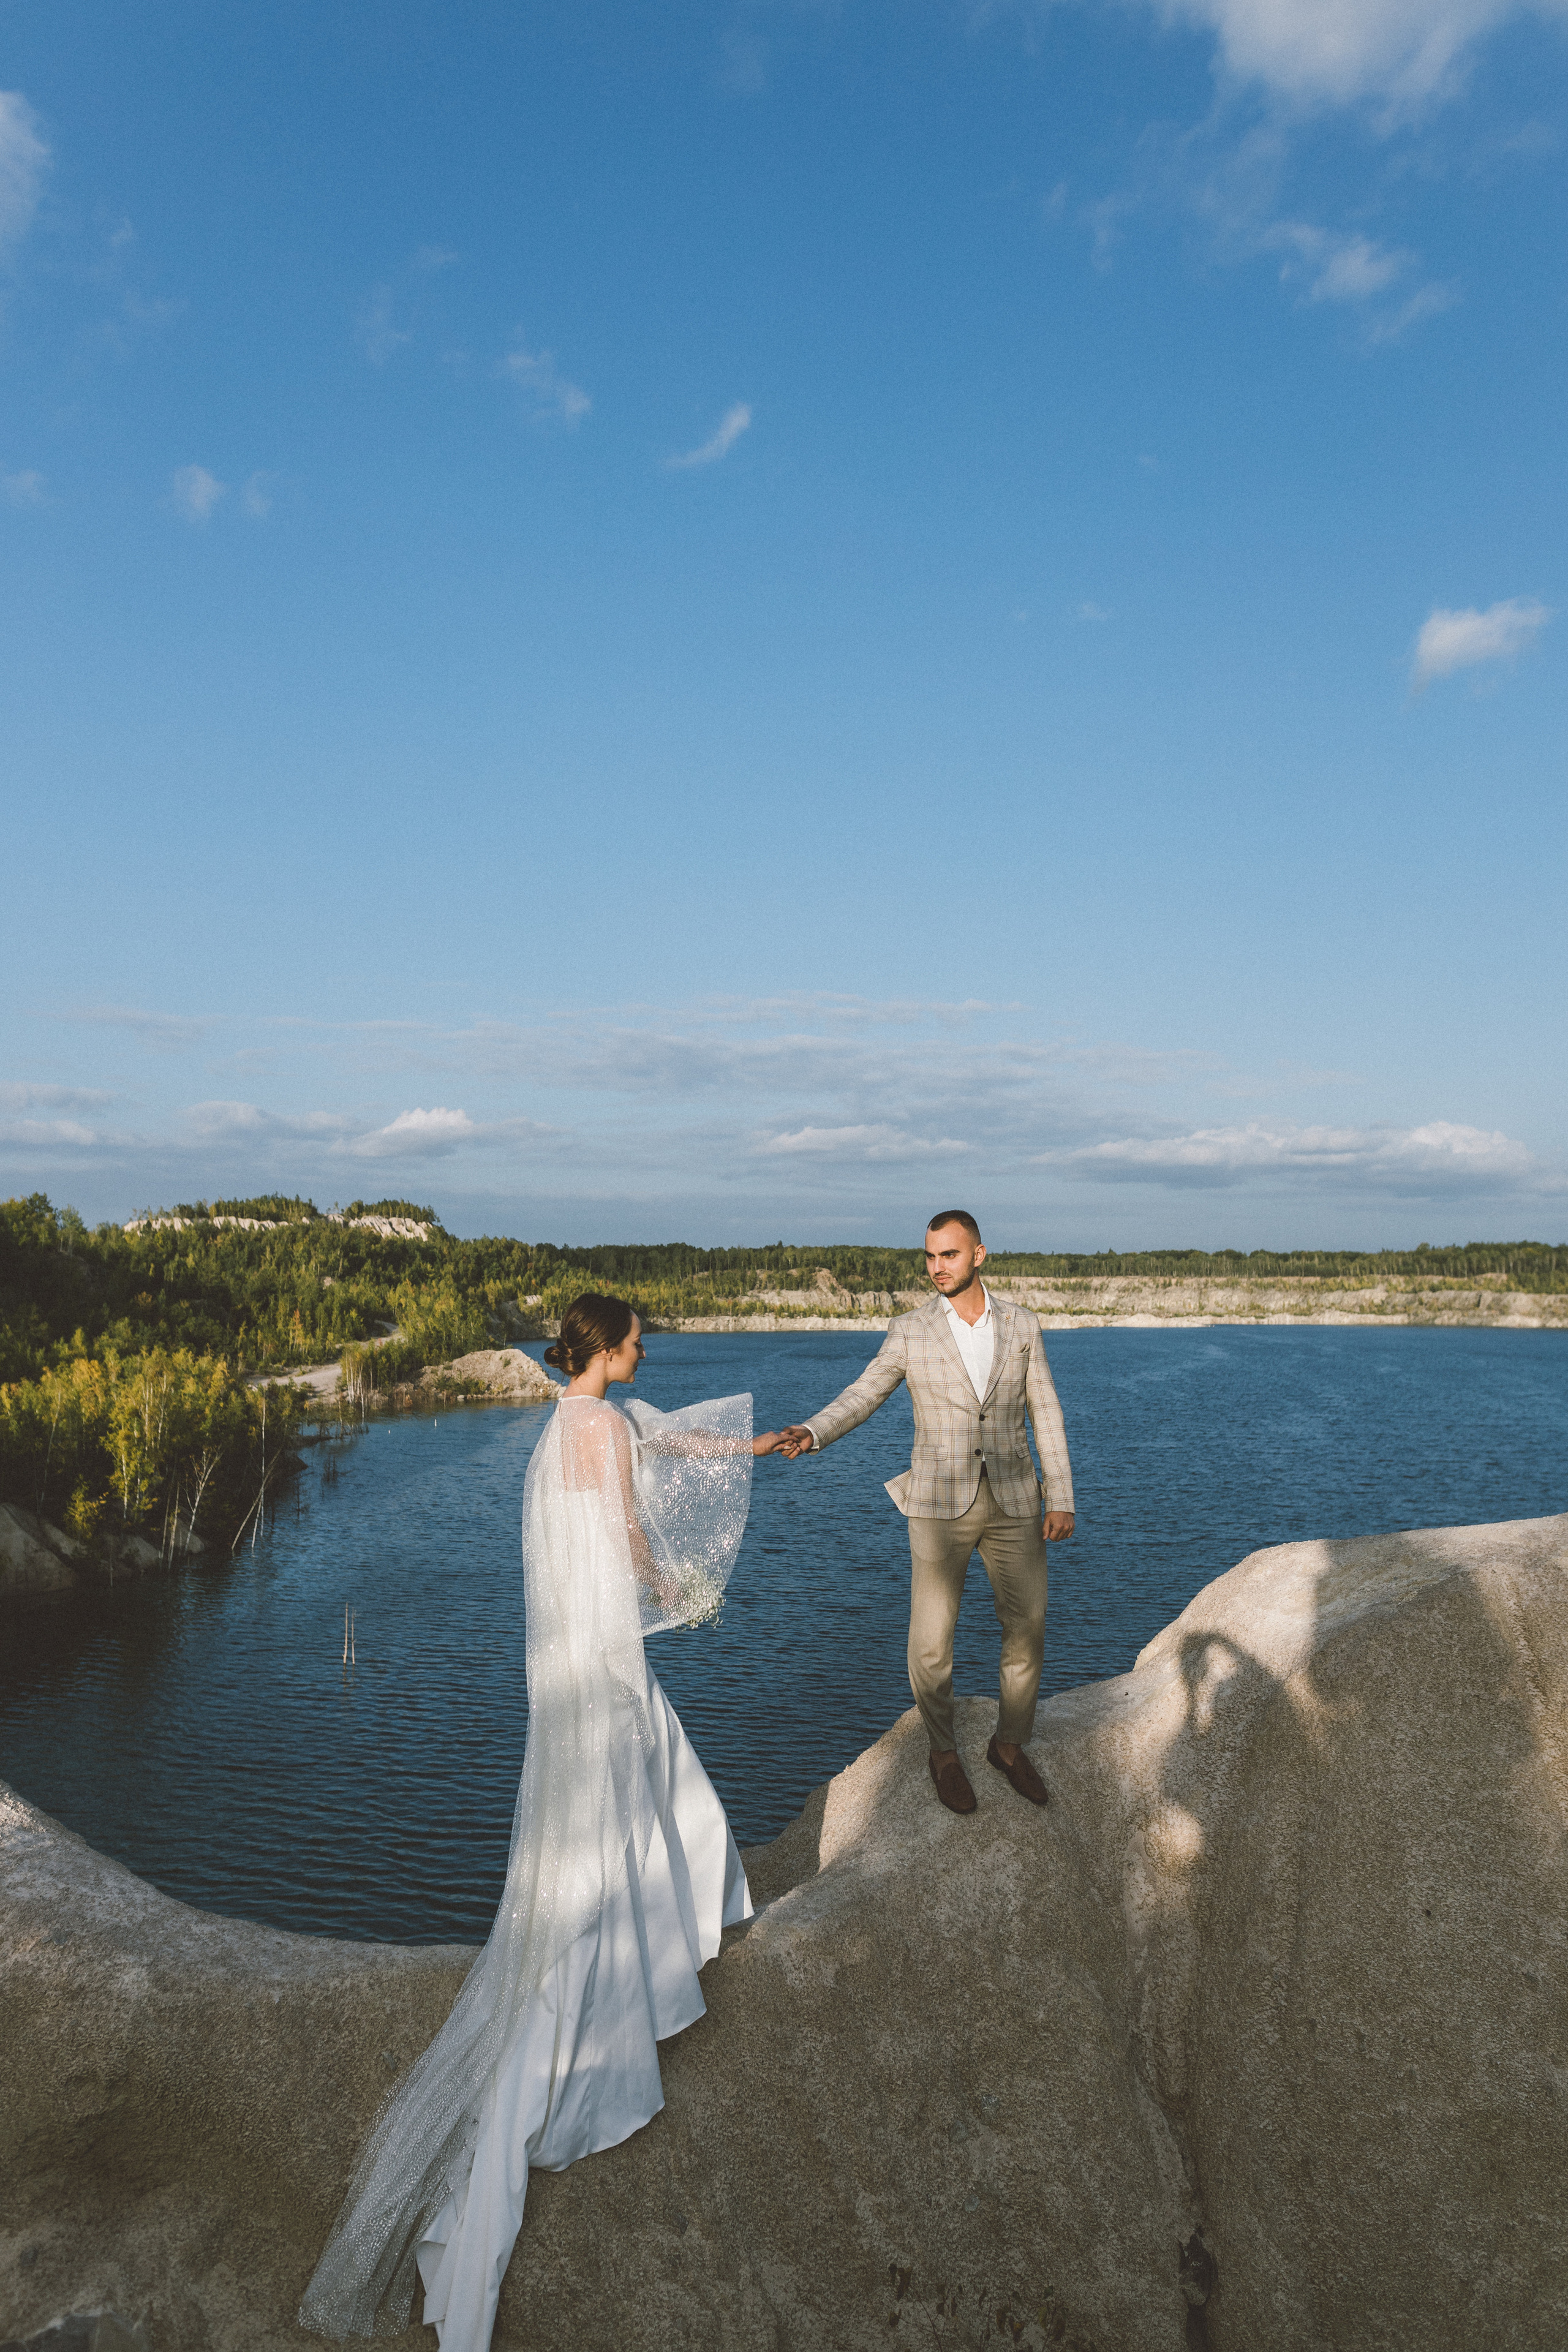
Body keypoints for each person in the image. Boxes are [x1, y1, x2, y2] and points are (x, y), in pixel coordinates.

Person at [300, 1294, 786, 2352]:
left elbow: (672, 1442)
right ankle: (652, 1957)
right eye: (635, 1339)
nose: (645, 1349)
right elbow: (624, 1523)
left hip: (564, 1663)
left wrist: (755, 1440)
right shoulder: (604, 1429)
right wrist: (673, 1585)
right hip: (605, 1653)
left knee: (638, 1783)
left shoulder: (563, 1426)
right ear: (607, 1348)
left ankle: (682, 1922)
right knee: (637, 1787)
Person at [779, 1212, 1074, 1815]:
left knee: (1028, 1628)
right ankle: (942, 1753)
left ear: (979, 1256)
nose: (937, 1266)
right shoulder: (910, 1329)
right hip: (938, 1504)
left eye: (949, 1255)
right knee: (932, 1643)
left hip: (1016, 1498)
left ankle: (1009, 1746)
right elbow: (865, 1392)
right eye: (930, 1256)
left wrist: (1062, 1494)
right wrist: (813, 1431)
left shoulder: (1022, 1324)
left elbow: (1045, 1412)